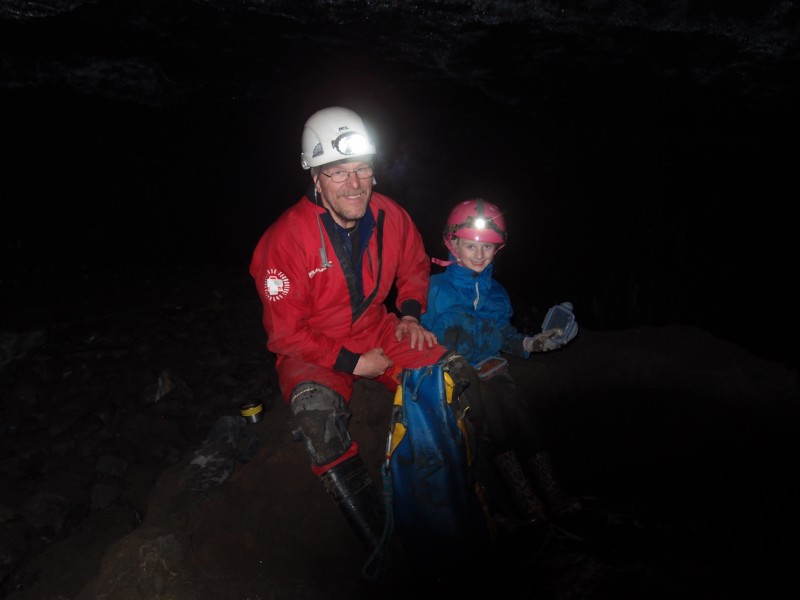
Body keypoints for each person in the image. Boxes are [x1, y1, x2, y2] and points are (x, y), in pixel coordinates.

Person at [248, 107, 483, 558]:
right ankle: (382, 545)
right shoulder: (284, 241)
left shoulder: (390, 216)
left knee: (454, 376)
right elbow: (285, 335)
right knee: (319, 424)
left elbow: (414, 264)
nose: (354, 184)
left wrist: (411, 315)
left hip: (378, 328)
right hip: (313, 348)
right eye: (338, 173)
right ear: (316, 177)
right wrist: (354, 364)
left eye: (362, 170)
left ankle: (471, 491)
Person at [421, 198, 580, 528]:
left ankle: (554, 496)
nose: (479, 255)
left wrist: (530, 343)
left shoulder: (497, 294)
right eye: (471, 246)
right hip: (453, 373)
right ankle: (522, 503)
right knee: (488, 411)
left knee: (518, 409)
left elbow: (504, 334)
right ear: (452, 244)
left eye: (488, 247)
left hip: (491, 367)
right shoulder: (433, 289)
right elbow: (418, 331)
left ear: (498, 250)